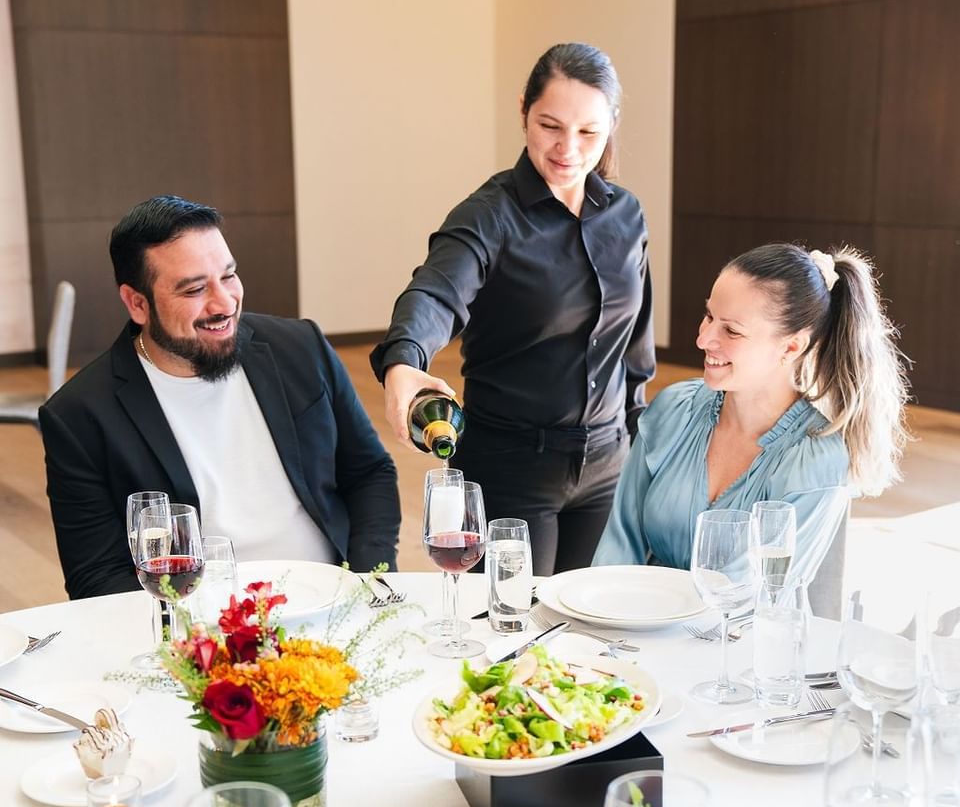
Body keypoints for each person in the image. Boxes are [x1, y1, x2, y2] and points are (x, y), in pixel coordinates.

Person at [371, 42, 655, 575]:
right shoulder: (488, 216)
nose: (568, 148)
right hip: (509, 468)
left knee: (592, 630)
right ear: (523, 109)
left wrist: (642, 446)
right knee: (512, 633)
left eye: (589, 132)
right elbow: (435, 291)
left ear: (611, 125)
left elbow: (635, 347)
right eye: (550, 125)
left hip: (610, 464)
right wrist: (405, 359)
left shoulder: (627, 216)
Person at [39, 195, 400, 599]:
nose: (225, 303)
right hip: (200, 628)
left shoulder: (301, 347)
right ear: (137, 303)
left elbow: (369, 472)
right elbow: (97, 574)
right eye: (195, 289)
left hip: (333, 598)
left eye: (228, 276)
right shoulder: (80, 415)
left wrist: (368, 581)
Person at [594, 243, 910, 586]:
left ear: (791, 347)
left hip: (740, 637)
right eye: (709, 316)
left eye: (731, 330)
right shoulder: (673, 410)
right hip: (635, 627)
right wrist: (599, 618)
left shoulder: (814, 461)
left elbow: (750, 596)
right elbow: (618, 547)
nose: (703, 339)